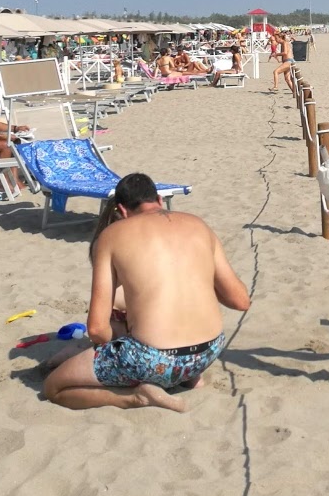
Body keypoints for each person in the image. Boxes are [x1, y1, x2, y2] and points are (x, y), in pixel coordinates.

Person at [44, 174, 251, 412]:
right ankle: (188, 377)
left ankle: (134, 397)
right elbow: (240, 301)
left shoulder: (112, 236)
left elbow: (97, 330)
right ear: (160, 200)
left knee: (55, 387)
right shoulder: (199, 225)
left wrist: (119, 341)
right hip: (208, 352)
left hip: (154, 361)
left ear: (121, 209)